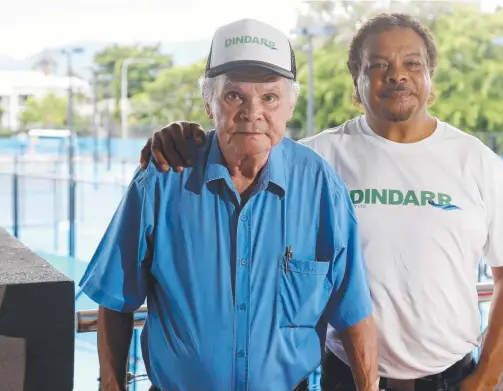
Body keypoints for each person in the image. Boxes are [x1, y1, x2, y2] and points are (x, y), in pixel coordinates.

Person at [138, 13, 503, 391]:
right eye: (378, 65)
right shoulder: (315, 160)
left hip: (455, 374)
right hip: (346, 374)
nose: (397, 74)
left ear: (431, 79)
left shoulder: (475, 161)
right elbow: (240, 142)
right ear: (356, 83)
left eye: (413, 64)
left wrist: (486, 375)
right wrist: (173, 137)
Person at [79, 18, 379, 391]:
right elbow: (116, 298)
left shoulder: (321, 186)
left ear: (290, 107)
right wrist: (112, 385)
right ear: (209, 103)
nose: (252, 112)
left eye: (269, 97)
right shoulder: (162, 179)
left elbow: (353, 311)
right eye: (234, 95)